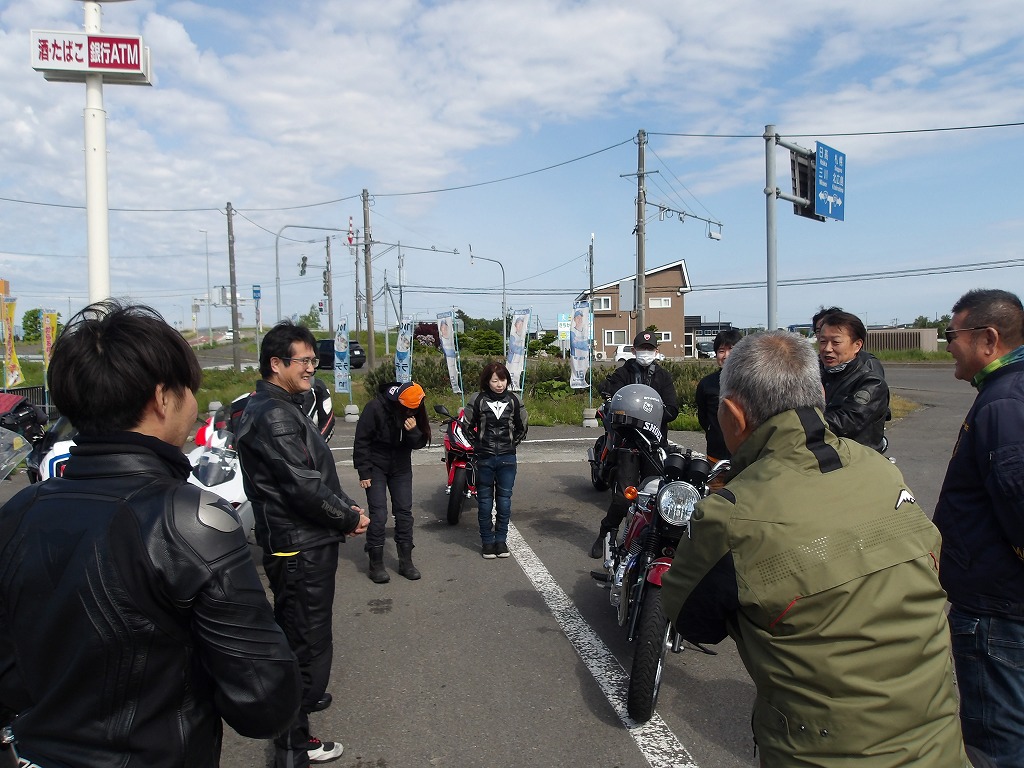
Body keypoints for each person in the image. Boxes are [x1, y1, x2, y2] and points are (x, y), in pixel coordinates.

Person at [0, 301, 301, 768]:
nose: (194, 405)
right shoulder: (189, 520)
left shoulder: (19, 511)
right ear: (162, 398)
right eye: (189, 390)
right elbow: (264, 703)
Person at [661, 330, 969, 767]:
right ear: (820, 396)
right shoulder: (880, 469)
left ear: (731, 415)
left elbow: (693, 621)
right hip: (940, 742)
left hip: (822, 753)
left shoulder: (731, 513)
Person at [236, 321, 369, 767]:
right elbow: (302, 486)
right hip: (299, 546)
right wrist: (348, 517)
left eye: (314, 360)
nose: (312, 367)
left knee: (301, 636)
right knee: (304, 645)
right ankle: (294, 743)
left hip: (301, 540)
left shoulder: (278, 406)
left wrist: (345, 507)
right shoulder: (274, 414)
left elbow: (313, 473)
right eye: (304, 361)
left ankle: (299, 710)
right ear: (276, 364)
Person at [934, 288, 1024, 768]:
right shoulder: (1007, 391)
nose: (948, 345)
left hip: (997, 608)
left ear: (988, 339)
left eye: (953, 335)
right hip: (1003, 600)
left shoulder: (1003, 403)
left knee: (996, 739)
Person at [589, 330, 679, 558]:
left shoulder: (663, 377)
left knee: (654, 495)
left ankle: (648, 540)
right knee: (623, 497)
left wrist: (652, 413)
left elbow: (672, 409)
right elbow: (611, 394)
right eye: (642, 348)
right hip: (628, 443)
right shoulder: (624, 372)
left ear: (656, 351)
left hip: (654, 444)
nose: (645, 352)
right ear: (633, 350)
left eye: (650, 349)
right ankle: (605, 533)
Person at [353, 381, 431, 583]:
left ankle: (406, 562)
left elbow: (420, 442)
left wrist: (413, 431)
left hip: (401, 467)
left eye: (415, 409)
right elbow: (361, 440)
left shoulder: (415, 410)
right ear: (399, 401)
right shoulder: (375, 407)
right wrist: (364, 472)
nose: (411, 412)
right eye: (408, 409)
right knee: (379, 514)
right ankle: (376, 564)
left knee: (404, 512)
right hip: (376, 466)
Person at [464, 362, 528, 559]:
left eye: (503, 379)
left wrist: (511, 444)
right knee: (484, 502)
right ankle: (487, 542)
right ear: (487, 382)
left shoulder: (514, 399)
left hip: (507, 459)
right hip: (484, 458)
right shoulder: (477, 399)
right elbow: (467, 427)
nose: (500, 384)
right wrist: (478, 446)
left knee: (504, 501)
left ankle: (501, 541)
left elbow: (522, 427)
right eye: (494, 381)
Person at [816, 310, 890, 451]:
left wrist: (798, 422)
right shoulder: (815, 375)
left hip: (854, 458)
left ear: (857, 345)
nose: (827, 349)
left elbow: (845, 423)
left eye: (836, 342)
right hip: (820, 453)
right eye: (823, 341)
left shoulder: (872, 383)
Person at [694, 328, 742, 462]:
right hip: (716, 454)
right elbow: (703, 417)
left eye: (731, 349)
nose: (726, 355)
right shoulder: (706, 384)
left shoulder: (752, 382)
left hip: (746, 455)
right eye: (721, 351)